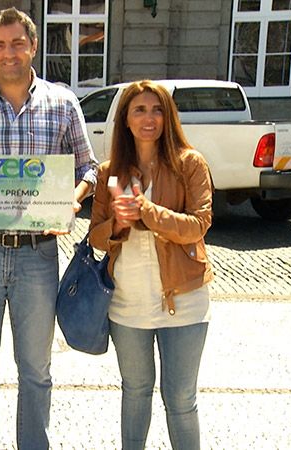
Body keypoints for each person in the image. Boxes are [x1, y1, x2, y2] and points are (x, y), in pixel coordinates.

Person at [0, 7, 98, 449]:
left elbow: (90, 167)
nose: (9, 53)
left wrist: (73, 197)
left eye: (17, 43)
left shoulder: (62, 102)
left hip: (37, 253)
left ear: (33, 46)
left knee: (36, 368)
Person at [89, 80, 213, 449]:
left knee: (180, 401)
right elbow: (95, 235)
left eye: (157, 110)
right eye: (139, 110)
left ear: (168, 117)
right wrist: (118, 225)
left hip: (184, 302)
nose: (149, 118)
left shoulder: (189, 163)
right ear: (125, 120)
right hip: (127, 303)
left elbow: (199, 225)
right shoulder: (111, 171)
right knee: (135, 392)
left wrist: (148, 211)